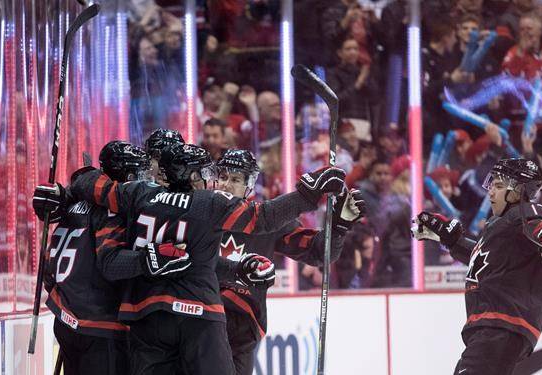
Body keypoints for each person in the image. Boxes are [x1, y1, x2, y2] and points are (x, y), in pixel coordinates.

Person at [37, 143, 347, 375]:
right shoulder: (210, 203)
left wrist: (71, 191)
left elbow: (96, 188)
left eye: (231, 178)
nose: (218, 182)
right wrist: (308, 195)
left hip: (146, 317)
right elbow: (264, 218)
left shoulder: (138, 195)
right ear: (190, 175)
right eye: (212, 174)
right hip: (199, 315)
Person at [412, 158, 542, 375]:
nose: (490, 192)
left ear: (517, 191)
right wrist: (452, 241)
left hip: (502, 325)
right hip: (493, 328)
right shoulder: (500, 226)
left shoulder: (524, 215)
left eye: (498, 186)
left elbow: (541, 227)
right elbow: (487, 261)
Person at [213, 149, 365, 374]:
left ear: (249, 185)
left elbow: (319, 252)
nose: (226, 185)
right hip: (206, 316)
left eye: (235, 179)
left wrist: (339, 226)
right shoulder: (202, 211)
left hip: (244, 326)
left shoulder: (264, 217)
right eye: (223, 177)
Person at [31, 141, 151, 375]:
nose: (145, 180)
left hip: (66, 320)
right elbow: (111, 264)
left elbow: (49, 268)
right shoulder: (112, 210)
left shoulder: (74, 203)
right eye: (140, 173)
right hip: (99, 325)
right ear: (127, 175)